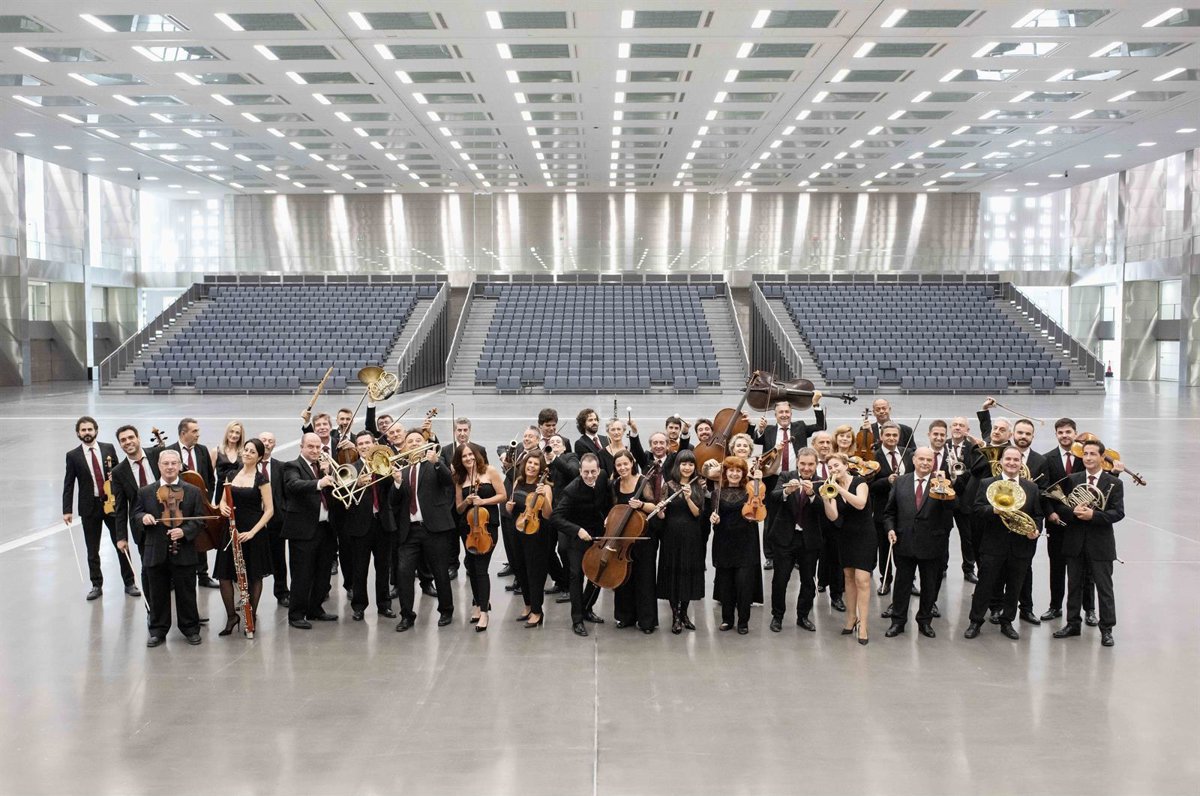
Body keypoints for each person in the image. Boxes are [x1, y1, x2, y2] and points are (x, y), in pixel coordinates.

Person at [963, 446, 1044, 641]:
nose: (1012, 463)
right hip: (993, 545)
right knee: (985, 585)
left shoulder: (1031, 487)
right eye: (1008, 459)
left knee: (1014, 587)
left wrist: (1036, 530)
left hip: (1020, 546)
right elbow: (977, 510)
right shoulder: (988, 483)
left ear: (1021, 463)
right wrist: (994, 510)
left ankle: (1007, 622)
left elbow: (1038, 514)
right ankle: (975, 621)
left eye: (1016, 460)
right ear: (1001, 462)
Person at [1052, 438, 1125, 647]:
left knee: (1104, 587)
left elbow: (1118, 513)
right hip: (1075, 541)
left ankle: (1107, 629)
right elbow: (1061, 506)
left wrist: (1094, 515)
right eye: (1085, 454)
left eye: (1093, 454)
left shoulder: (1114, 483)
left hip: (1100, 543)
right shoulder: (1073, 479)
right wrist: (1072, 511)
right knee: (1074, 585)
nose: (1088, 458)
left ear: (1102, 458)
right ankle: (1073, 624)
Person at [131, 450, 204, 647]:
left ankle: (190, 628)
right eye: (166, 463)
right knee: (157, 593)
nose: (170, 467)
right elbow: (136, 515)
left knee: (186, 592)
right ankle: (157, 630)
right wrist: (143, 518)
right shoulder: (145, 492)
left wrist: (184, 531)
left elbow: (199, 520)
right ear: (159, 466)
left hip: (184, 550)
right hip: (156, 549)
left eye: (173, 463)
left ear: (179, 465)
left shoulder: (193, 491)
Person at [884, 447, 955, 639]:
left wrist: (944, 487)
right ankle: (898, 622)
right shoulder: (901, 481)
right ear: (914, 460)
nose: (925, 463)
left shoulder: (942, 483)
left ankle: (924, 621)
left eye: (929, 460)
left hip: (932, 543)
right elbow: (890, 512)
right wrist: (890, 529)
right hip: (904, 541)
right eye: (921, 459)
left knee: (929, 585)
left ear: (934, 462)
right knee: (902, 585)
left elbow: (951, 509)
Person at [391, 431, 457, 631]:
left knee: (440, 572)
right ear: (405, 446)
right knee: (404, 573)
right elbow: (393, 503)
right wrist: (396, 484)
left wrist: (437, 463)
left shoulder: (435, 464)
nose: (413, 443)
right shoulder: (402, 470)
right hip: (409, 531)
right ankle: (406, 616)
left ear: (425, 443)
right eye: (410, 441)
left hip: (434, 529)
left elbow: (449, 481)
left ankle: (446, 610)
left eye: (417, 440)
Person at [63, 416, 135, 601]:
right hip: (89, 507)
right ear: (78, 433)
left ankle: (129, 582)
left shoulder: (108, 448)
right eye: (83, 430)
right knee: (92, 549)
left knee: (122, 544)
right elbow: (69, 483)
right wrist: (67, 509)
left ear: (96, 430)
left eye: (90, 429)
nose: (87, 433)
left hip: (111, 504)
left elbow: (119, 474)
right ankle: (96, 585)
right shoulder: (73, 456)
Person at [334, 431, 397, 622]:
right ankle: (359, 606)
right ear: (356, 447)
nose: (364, 446)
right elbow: (341, 496)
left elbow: (392, 488)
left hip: (383, 523)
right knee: (359, 569)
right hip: (360, 526)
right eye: (360, 444)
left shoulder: (383, 463)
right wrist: (356, 483)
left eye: (367, 443)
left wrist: (391, 473)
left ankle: (384, 605)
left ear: (373, 444)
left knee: (383, 568)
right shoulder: (350, 468)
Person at [215, 438, 274, 637]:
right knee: (224, 576)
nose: (247, 453)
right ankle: (232, 616)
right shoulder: (231, 474)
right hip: (231, 530)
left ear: (259, 457)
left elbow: (269, 510)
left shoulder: (261, 479)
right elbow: (223, 500)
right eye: (246, 450)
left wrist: (253, 532)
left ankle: (251, 615)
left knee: (254, 575)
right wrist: (222, 507)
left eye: (252, 452)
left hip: (252, 532)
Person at [1040, 417, 1096, 623]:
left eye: (1068, 432)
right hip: (1057, 522)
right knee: (1056, 567)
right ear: (1056, 435)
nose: (1064, 436)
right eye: (1060, 432)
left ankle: (1089, 609)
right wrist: (1050, 513)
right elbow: (1044, 491)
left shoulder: (1086, 457)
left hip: (1082, 522)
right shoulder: (1047, 459)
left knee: (1086, 569)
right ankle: (1055, 606)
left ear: (1075, 433)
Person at [281, 432, 339, 630]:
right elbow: (293, 485)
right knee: (302, 574)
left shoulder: (324, 467)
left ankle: (315, 608)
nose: (315, 450)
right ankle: (296, 614)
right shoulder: (292, 466)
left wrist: (327, 474)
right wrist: (319, 483)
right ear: (302, 447)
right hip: (303, 531)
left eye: (318, 447)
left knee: (323, 573)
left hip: (326, 528)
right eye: (311, 447)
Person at [550, 453, 611, 637]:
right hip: (577, 538)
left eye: (593, 472)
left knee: (598, 574)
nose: (590, 476)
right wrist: (577, 530)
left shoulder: (603, 478)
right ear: (580, 471)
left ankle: (587, 608)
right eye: (586, 472)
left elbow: (608, 500)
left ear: (598, 470)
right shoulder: (571, 490)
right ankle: (577, 620)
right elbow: (555, 517)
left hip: (598, 535)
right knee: (576, 575)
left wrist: (609, 516)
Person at [820, 452, 874, 646]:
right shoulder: (832, 486)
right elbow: (833, 516)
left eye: (836, 466)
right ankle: (851, 618)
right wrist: (826, 499)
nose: (833, 470)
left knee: (862, 580)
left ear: (845, 465)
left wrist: (840, 490)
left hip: (864, 535)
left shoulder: (859, 482)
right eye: (830, 467)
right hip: (845, 536)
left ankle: (863, 625)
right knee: (849, 578)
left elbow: (860, 504)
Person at [452, 442, 506, 632]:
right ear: (459, 460)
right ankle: (478, 602)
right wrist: (467, 501)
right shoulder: (459, 479)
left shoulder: (489, 471)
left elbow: (502, 495)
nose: (468, 458)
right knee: (472, 567)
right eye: (464, 456)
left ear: (476, 455)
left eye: (470, 455)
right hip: (468, 528)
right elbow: (459, 509)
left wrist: (483, 501)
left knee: (481, 568)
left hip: (487, 526)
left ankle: (484, 612)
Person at [769, 447, 823, 632]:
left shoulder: (821, 481)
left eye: (811, 464)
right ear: (797, 463)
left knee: (808, 581)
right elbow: (773, 497)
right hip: (785, 538)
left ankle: (803, 616)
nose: (806, 468)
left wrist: (812, 495)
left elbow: (824, 510)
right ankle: (777, 617)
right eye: (803, 464)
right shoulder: (786, 476)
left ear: (816, 464)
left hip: (809, 540)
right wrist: (787, 492)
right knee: (780, 579)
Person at [710, 456, 765, 634]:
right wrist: (714, 519)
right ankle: (727, 619)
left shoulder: (751, 490)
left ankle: (743, 622)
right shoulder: (717, 493)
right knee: (726, 584)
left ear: (743, 473)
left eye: (738, 471)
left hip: (746, 543)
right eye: (731, 470)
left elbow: (758, 512)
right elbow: (715, 517)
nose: (734, 474)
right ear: (725, 473)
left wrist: (758, 481)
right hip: (724, 542)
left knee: (744, 584)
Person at [655, 450, 708, 634]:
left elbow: (697, 513)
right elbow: (662, 516)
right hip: (671, 535)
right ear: (678, 466)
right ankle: (675, 616)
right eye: (684, 464)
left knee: (688, 573)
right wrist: (660, 510)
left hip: (692, 536)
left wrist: (688, 497)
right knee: (673, 574)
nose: (687, 467)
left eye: (691, 464)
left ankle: (684, 613)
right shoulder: (668, 485)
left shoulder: (698, 485)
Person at [610, 450, 658, 633]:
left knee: (644, 578)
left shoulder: (643, 481)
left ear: (632, 463)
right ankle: (625, 616)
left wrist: (641, 505)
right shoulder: (616, 484)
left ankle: (647, 621)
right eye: (619, 465)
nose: (622, 467)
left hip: (642, 537)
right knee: (623, 577)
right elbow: (615, 508)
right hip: (623, 538)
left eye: (625, 463)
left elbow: (654, 506)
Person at [166, 417, 218, 588]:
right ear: (183, 433)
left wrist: (205, 499)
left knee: (200, 535)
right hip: (178, 504)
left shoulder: (202, 450)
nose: (198, 434)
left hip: (199, 502)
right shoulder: (170, 451)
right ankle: (175, 577)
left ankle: (203, 575)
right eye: (194, 431)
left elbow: (210, 478)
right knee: (178, 537)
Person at [506, 451, 553, 628]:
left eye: (536, 464)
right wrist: (508, 507)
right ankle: (527, 605)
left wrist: (543, 497)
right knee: (520, 569)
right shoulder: (518, 482)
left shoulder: (545, 487)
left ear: (541, 469)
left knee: (535, 572)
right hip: (517, 529)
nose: (531, 466)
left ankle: (537, 611)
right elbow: (511, 508)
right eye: (529, 463)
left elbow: (548, 514)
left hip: (536, 534)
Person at [110, 424, 157, 595]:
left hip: (168, 517)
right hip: (141, 526)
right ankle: (152, 607)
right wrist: (121, 537)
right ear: (120, 444)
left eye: (131, 437)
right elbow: (121, 507)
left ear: (138, 438)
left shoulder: (157, 454)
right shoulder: (118, 471)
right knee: (149, 569)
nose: (128, 442)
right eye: (123, 440)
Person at [869, 421, 911, 595]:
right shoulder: (873, 457)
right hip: (883, 510)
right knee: (884, 548)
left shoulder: (908, 453)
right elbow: (869, 485)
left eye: (895, 435)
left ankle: (908, 581)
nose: (891, 438)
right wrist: (887, 481)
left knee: (905, 549)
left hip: (905, 510)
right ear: (881, 436)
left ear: (899, 437)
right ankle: (885, 580)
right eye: (888, 435)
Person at [810, 432, 845, 612]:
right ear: (814, 444)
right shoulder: (810, 465)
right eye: (821, 442)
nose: (825, 445)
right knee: (814, 556)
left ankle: (837, 596)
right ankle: (818, 584)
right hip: (814, 518)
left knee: (836, 558)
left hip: (835, 517)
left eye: (828, 442)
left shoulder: (837, 464)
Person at [257, 431, 289, 607]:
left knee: (279, 559)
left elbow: (285, 493)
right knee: (252, 559)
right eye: (264, 440)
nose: (267, 443)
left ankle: (282, 593)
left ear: (274, 445)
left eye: (270, 441)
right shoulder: (247, 466)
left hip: (276, 521)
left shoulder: (281, 467)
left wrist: (282, 512)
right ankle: (248, 595)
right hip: (253, 522)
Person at [210, 421, 245, 493]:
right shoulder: (216, 451)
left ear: (241, 436)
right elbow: (210, 476)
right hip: (221, 491)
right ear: (227, 433)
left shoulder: (244, 453)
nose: (234, 435)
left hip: (239, 491)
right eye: (231, 431)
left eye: (237, 433)